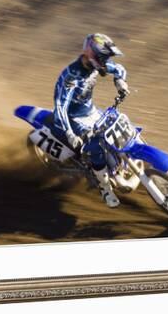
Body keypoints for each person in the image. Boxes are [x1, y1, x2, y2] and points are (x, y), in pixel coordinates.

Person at [52, 33, 130, 208]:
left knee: (118, 124)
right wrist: (70, 133)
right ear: (92, 55)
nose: (106, 61)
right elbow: (60, 106)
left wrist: (120, 82)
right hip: (72, 119)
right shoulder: (72, 76)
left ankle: (119, 165)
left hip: (90, 111)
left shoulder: (96, 66)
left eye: (107, 58)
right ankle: (105, 189)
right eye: (104, 57)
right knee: (95, 147)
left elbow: (119, 69)